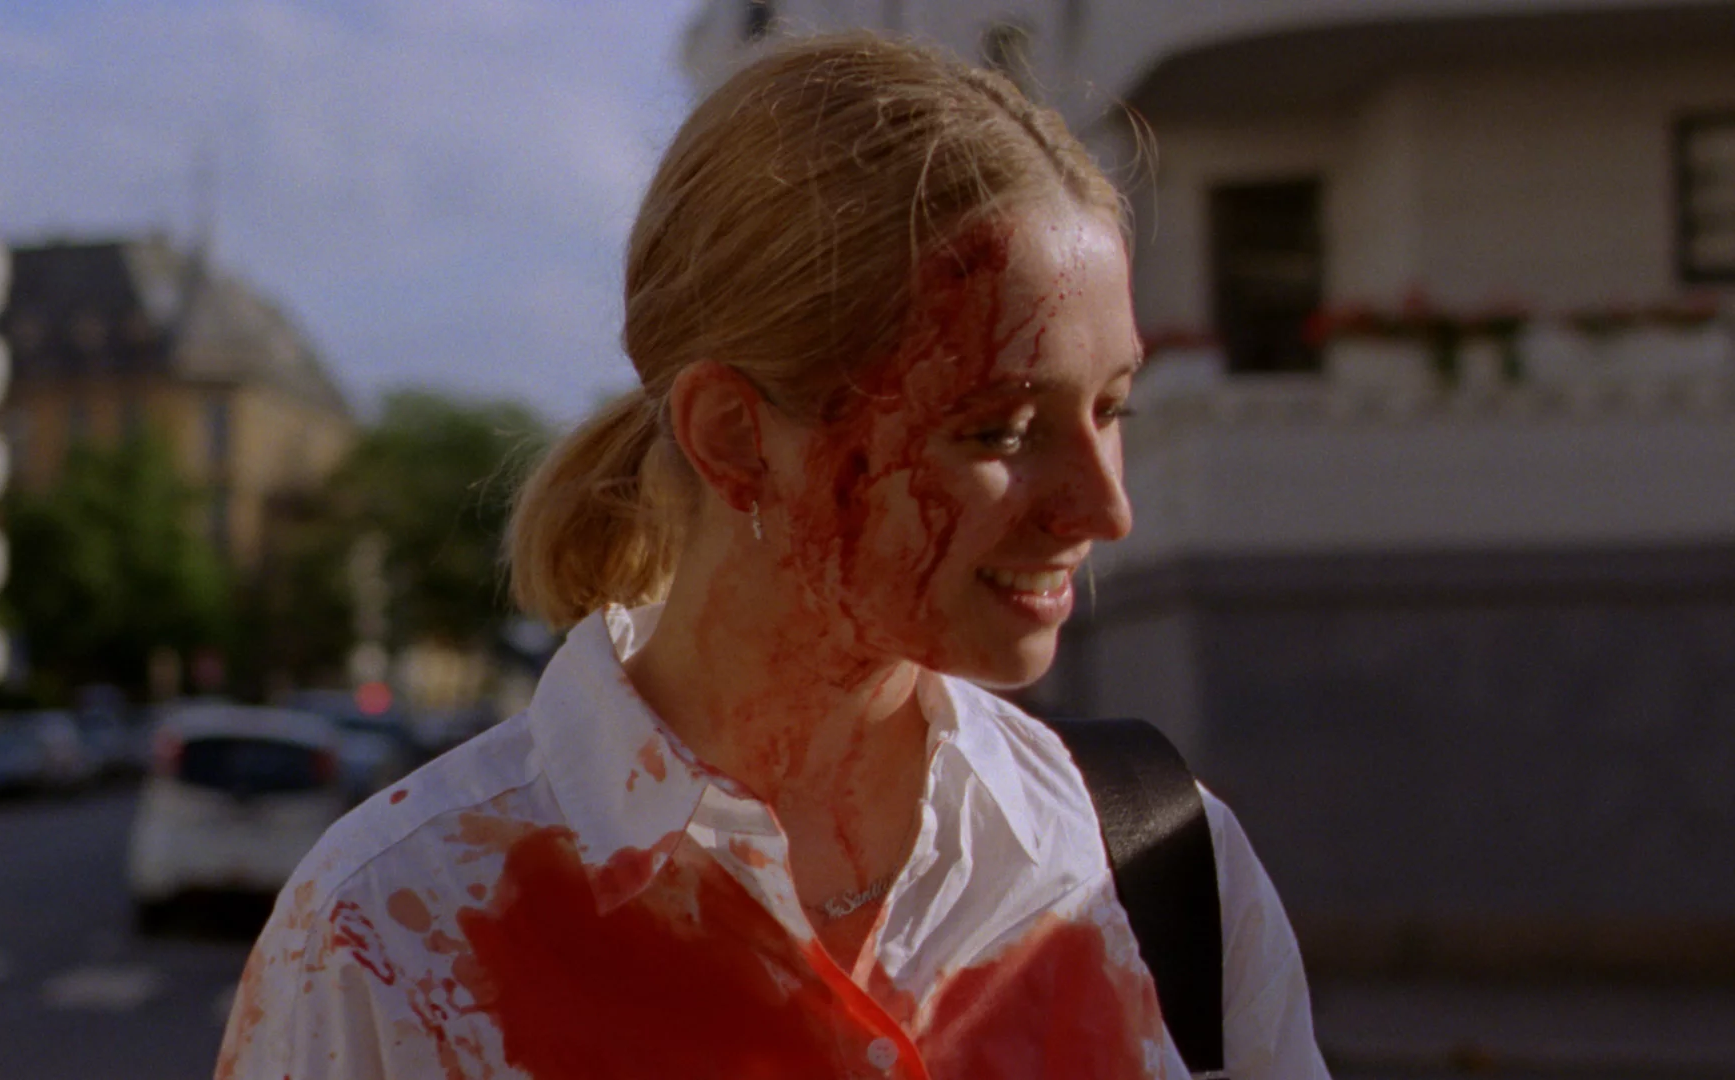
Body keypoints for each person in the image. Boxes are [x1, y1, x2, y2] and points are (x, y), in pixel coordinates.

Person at [217, 33, 1328, 1080]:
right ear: (736, 438)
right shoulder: (391, 934)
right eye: (998, 429)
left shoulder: (1154, 866)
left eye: (1113, 407)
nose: (1105, 507)